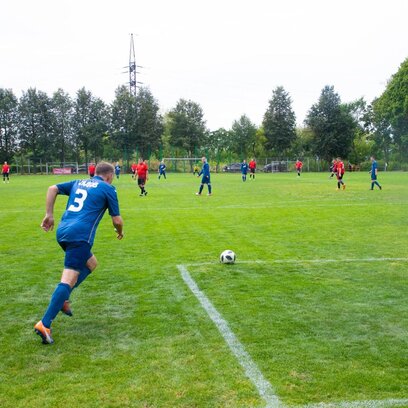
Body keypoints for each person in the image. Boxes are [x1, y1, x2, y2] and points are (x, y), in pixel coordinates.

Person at [34, 162, 124, 344]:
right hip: (80, 236)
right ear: (109, 176)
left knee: (91, 263)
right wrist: (119, 231)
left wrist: (49, 214)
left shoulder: (78, 182)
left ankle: (63, 298)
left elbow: (52, 188)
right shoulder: (108, 188)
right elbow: (117, 220)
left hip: (63, 231)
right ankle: (45, 323)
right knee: (68, 279)